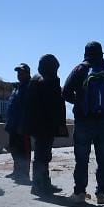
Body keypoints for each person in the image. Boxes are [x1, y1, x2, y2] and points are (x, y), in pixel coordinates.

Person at [63, 42, 104, 204]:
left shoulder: (80, 69)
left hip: (84, 120)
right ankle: (101, 193)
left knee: (81, 158)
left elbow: (65, 92)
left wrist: (79, 103)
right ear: (101, 53)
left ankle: (79, 193)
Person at [26, 54, 67, 196]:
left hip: (40, 125)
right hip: (44, 125)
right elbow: (53, 105)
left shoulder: (36, 79)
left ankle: (43, 182)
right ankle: (39, 184)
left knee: (42, 155)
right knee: (42, 156)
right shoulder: (45, 81)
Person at [3, 63, 32, 183]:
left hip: (23, 125)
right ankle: (16, 171)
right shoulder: (17, 87)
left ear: (27, 73)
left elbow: (28, 108)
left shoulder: (29, 87)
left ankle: (24, 173)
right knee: (14, 148)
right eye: (18, 72)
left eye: (21, 72)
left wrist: (24, 124)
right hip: (13, 125)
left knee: (24, 150)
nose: (19, 74)